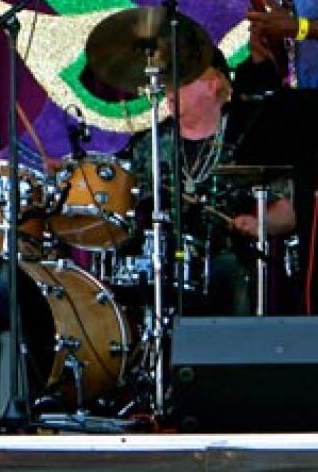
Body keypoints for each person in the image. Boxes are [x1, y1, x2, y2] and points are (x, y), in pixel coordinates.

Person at [123, 50, 296, 315]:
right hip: (165, 262)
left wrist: (260, 223)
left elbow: (288, 212)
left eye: (181, 80)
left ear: (213, 84)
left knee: (229, 272)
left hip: (230, 261)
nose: (170, 88)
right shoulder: (150, 145)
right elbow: (124, 208)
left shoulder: (247, 138)